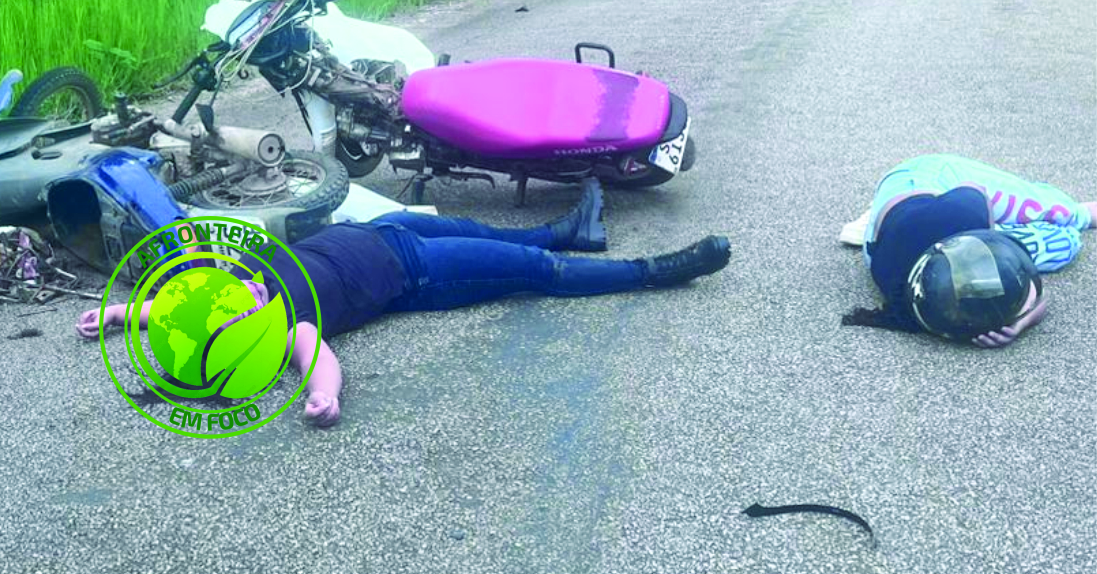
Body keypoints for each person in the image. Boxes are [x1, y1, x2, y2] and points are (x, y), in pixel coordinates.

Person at [78, 181, 730, 428]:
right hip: (416, 271)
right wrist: (324, 397)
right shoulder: (284, 328)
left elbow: (173, 310)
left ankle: (574, 226)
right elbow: (319, 360)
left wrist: (121, 314)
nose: (239, 292)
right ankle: (655, 272)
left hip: (389, 227)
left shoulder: (238, 278)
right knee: (535, 272)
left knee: (492, 232)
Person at [840, 154, 1093, 347]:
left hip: (934, 174)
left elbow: (977, 189)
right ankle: (874, 217)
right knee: (1064, 245)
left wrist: (991, 228)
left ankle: (1086, 212)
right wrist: (1022, 320)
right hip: (898, 218)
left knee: (1065, 213)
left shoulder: (962, 213)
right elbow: (1037, 297)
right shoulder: (918, 301)